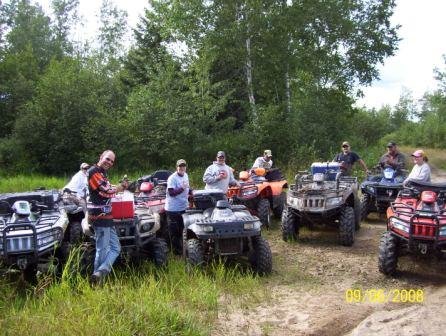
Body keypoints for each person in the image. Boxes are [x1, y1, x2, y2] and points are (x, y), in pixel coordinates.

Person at [87, 150, 127, 283]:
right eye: (107, 159)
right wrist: (121, 187)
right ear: (101, 157)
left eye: (111, 161)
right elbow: (107, 190)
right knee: (102, 249)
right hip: (99, 216)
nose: (109, 162)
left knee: (116, 247)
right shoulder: (93, 172)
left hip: (108, 217)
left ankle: (100, 272)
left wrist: (123, 186)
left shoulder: (102, 173)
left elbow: (109, 189)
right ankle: (97, 282)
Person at [165, 159, 192, 255]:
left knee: (183, 229)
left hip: (184, 207)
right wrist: (182, 188)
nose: (182, 168)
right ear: (177, 167)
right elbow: (171, 193)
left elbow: (187, 188)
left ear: (186, 167)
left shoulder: (186, 175)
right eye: (180, 166)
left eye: (183, 166)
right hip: (173, 209)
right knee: (174, 232)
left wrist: (193, 193)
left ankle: (183, 250)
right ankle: (176, 254)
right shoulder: (172, 178)